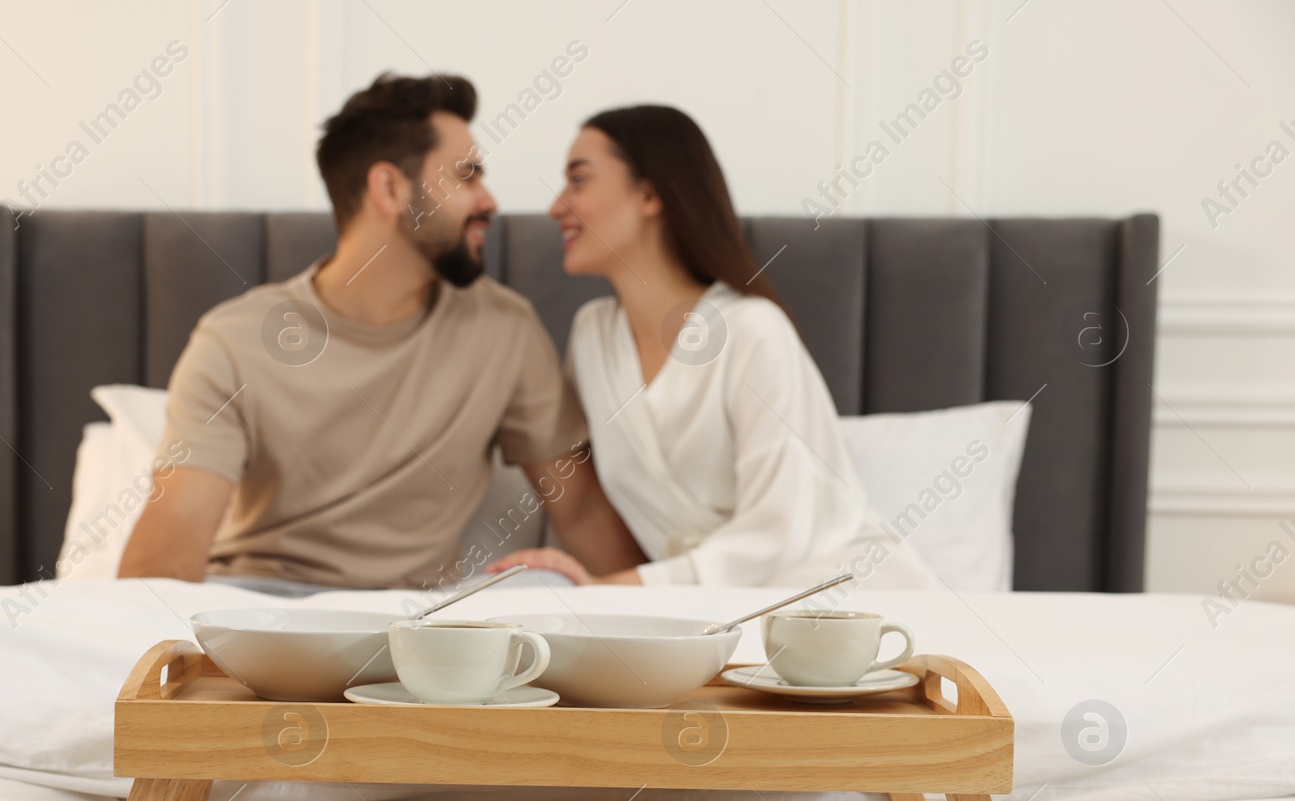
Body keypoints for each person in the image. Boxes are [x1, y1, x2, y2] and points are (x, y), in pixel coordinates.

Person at [118, 74, 645, 594]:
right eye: (467, 176)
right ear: (390, 188)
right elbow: (165, 560)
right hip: (260, 606)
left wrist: (658, 618)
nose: (489, 201)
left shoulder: (504, 328)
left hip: (414, 625)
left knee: (546, 587)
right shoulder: (234, 341)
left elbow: (579, 511)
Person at [488, 106, 932, 589]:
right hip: (694, 615)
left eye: (578, 181)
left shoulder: (753, 332)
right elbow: (586, 502)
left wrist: (623, 590)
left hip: (829, 594)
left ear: (650, 194)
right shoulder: (593, 335)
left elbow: (782, 529)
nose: (557, 206)